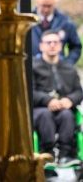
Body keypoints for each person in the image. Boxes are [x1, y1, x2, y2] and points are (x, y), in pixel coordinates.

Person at [32, 30, 83, 166]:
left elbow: (79, 91)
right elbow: (29, 91)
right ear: (41, 46)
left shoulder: (69, 68)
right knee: (45, 115)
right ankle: (47, 155)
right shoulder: (32, 67)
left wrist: (70, 100)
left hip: (64, 109)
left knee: (67, 115)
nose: (52, 45)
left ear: (61, 46)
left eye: (56, 42)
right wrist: (48, 100)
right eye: (49, 42)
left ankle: (66, 155)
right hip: (39, 109)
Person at [31, 0, 81, 65]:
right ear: (37, 2)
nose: (46, 10)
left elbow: (76, 47)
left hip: (57, 71)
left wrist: (66, 65)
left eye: (49, 6)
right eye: (43, 6)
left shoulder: (65, 22)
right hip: (33, 71)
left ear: (55, 3)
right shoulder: (28, 21)